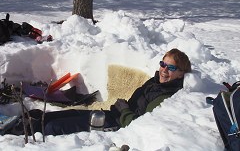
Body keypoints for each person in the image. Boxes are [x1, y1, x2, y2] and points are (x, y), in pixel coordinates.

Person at [11, 48, 191, 136]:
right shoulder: (154, 82)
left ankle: (26, 135)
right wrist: (121, 107)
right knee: (62, 114)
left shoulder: (166, 98)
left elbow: (139, 126)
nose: (164, 70)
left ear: (181, 73)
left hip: (119, 126)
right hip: (114, 114)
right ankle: (24, 124)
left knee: (54, 127)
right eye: (162, 64)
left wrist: (124, 110)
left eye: (171, 67)